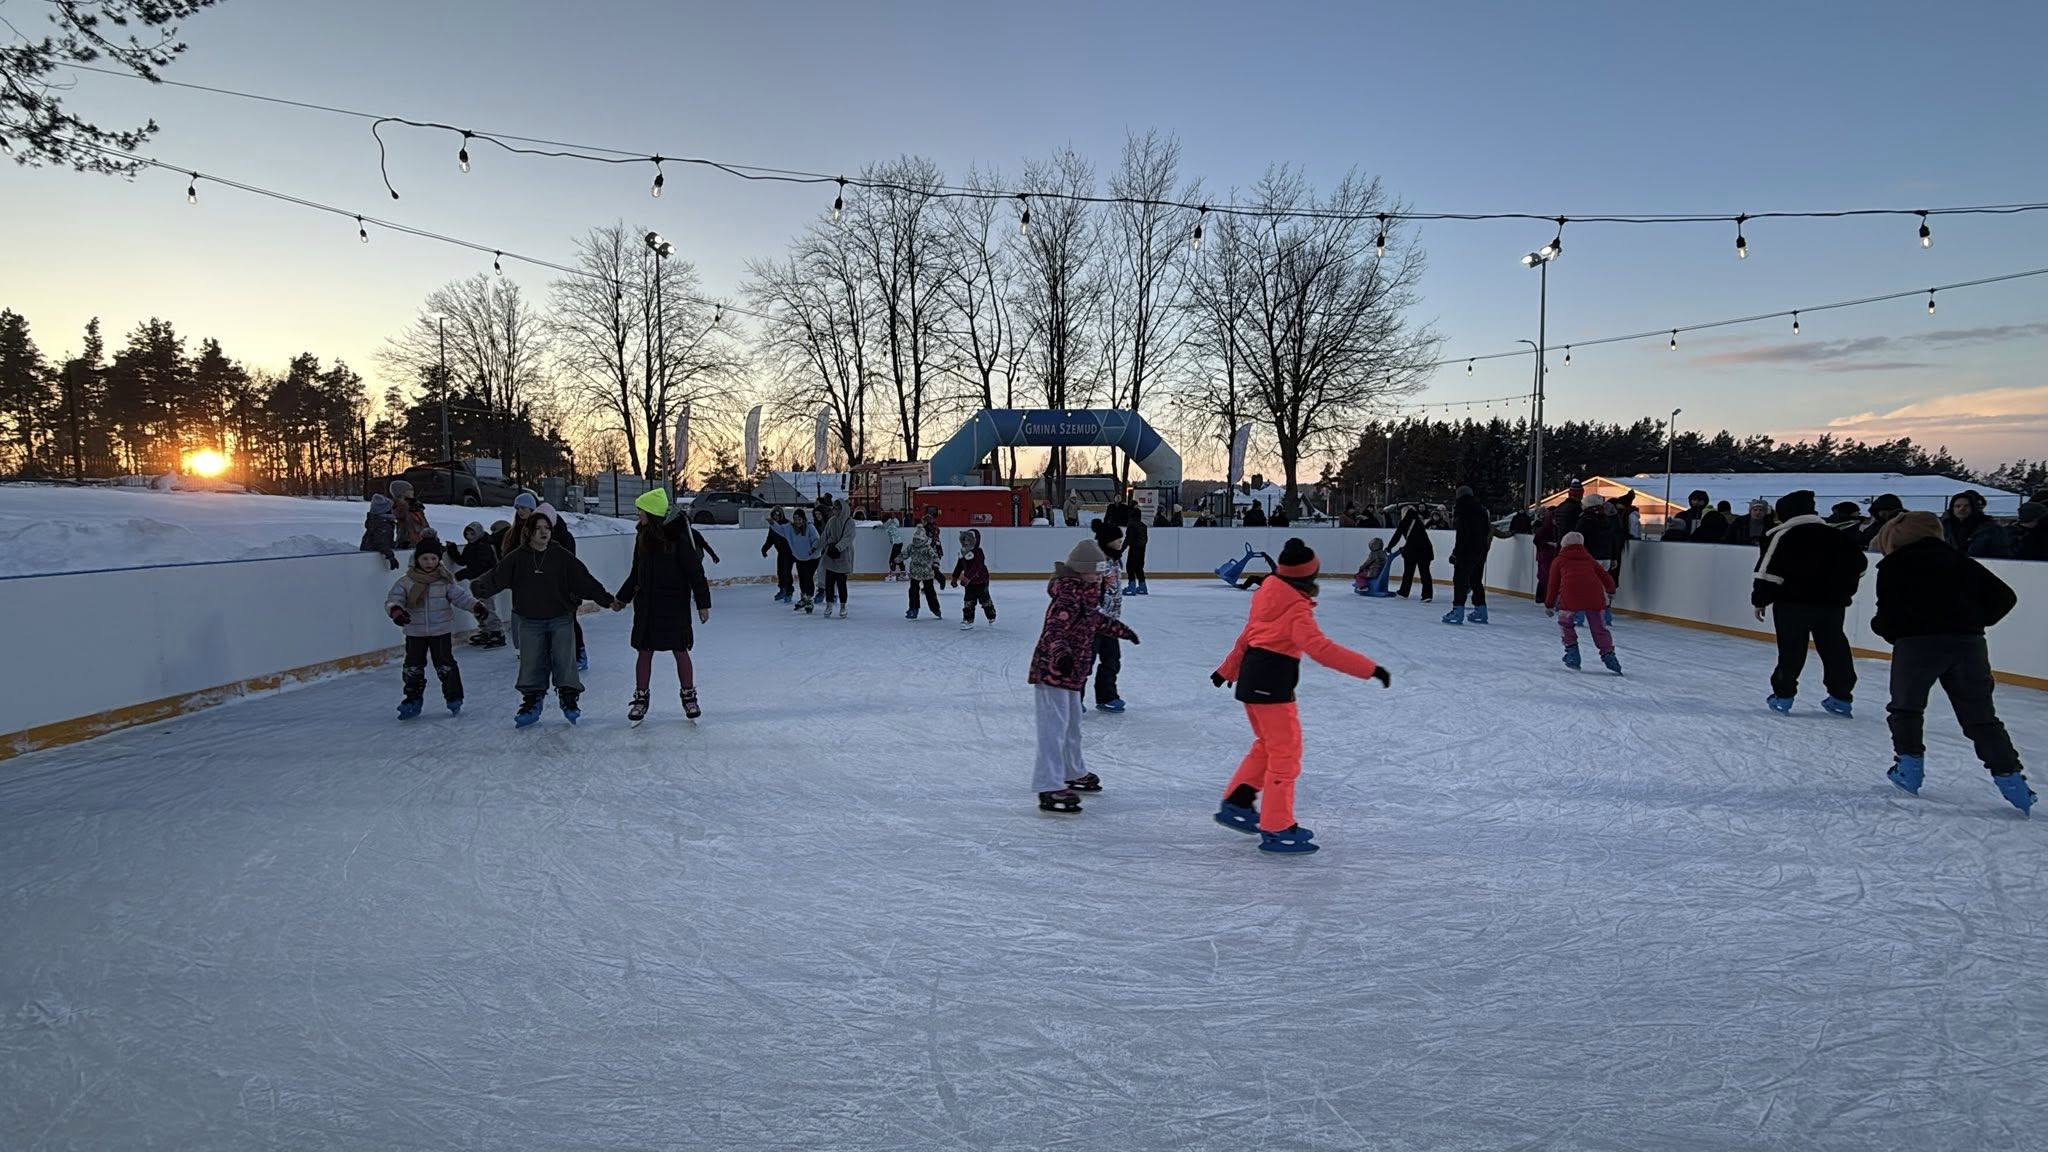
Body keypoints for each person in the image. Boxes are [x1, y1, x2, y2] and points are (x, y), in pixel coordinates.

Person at [1210, 538, 1388, 855]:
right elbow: (1321, 649)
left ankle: (1238, 802)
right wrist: (1369, 669)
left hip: (1251, 678)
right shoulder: (1294, 607)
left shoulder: (1267, 593)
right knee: (1285, 754)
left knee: (1268, 745)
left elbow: (1247, 636)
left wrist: (1228, 670)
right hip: (1272, 683)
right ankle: (1277, 827)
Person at [1869, 511, 2032, 813]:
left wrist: (1889, 630)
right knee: (1981, 717)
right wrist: (1971, 622)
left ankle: (1909, 769)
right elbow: (2004, 597)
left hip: (1917, 646)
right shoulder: (1962, 561)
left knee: (1906, 708)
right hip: (1968, 645)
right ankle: (2012, 780)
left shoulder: (1895, 565)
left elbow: (1888, 615)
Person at [470, 507, 618, 727]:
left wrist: (606, 599)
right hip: (529, 620)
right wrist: (480, 587)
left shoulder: (561, 556)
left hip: (560, 618)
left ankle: (568, 698)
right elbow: (497, 576)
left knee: (565, 661)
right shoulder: (517, 558)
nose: (543, 532)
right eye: (538, 528)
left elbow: (583, 580)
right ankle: (532, 701)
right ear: (529, 532)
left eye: (546, 528)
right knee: (531, 663)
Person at [1027, 538, 1138, 813]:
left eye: (1102, 572)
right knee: (1053, 730)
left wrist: (1122, 631)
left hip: (1072, 675)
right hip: (1053, 672)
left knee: (1072, 726)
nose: (1100, 577)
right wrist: (1061, 655)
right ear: (1080, 570)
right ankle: (1048, 785)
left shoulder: (1086, 593)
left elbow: (1095, 620)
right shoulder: (1067, 596)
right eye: (1095, 572)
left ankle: (1072, 771)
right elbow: (1054, 630)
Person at [1752, 490, 1868, 717]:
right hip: (1832, 606)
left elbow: (1767, 573)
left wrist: (1760, 600)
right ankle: (1841, 696)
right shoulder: (1837, 535)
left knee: (1792, 649)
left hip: (1792, 605)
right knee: (1834, 648)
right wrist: (1840, 587)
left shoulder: (1782, 535)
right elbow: (1860, 566)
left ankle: (1783, 696)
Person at [617, 489, 713, 725]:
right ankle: (641, 698)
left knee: (680, 650)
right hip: (647, 605)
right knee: (644, 650)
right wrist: (622, 598)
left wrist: (703, 604)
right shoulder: (641, 537)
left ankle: (689, 695)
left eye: (641, 510)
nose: (638, 514)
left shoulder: (677, 536)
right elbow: (636, 573)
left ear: (651, 513)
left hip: (674, 604)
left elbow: (695, 571)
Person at [383, 537, 486, 719]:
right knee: (413, 667)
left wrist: (476, 606)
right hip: (415, 632)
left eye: (433, 558)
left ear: (439, 560)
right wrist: (396, 611)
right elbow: (394, 599)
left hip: (440, 631)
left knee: (445, 665)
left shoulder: (445, 582)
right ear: (417, 560)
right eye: (425, 558)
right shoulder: (406, 582)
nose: (429, 562)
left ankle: (454, 697)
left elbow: (461, 598)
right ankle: (412, 699)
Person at [1543, 531, 1621, 674]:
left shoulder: (1559, 560)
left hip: (1570, 597)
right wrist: (1611, 590)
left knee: (1566, 624)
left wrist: (1549, 604)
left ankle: (1572, 653)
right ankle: (1609, 655)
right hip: (1594, 596)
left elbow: (1553, 584)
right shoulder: (1589, 559)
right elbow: (1605, 575)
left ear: (1564, 545)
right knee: (1599, 627)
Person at [1089, 519, 1132, 712]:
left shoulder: (1115, 560)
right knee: (1085, 662)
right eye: (1117, 539)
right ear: (1107, 540)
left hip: (1110, 621)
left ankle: (1107, 696)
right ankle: (1073, 699)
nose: (1120, 541)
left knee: (1112, 660)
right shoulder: (1097, 562)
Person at [445, 521, 507, 647]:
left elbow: (480, 566)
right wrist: (452, 549)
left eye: (472, 534)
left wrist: (460, 575)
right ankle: (486, 630)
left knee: (487, 607)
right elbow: (463, 561)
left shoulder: (484, 546)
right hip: (476, 582)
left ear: (478, 533)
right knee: (479, 607)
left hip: (486, 582)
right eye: (467, 534)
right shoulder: (470, 546)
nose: (469, 537)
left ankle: (496, 632)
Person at [1443, 485, 1493, 625]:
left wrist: (1456, 553)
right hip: (1481, 549)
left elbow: (1462, 534)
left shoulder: (1461, 509)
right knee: (1476, 580)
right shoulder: (1482, 509)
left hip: (1467, 550)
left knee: (1460, 580)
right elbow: (1487, 529)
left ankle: (1457, 611)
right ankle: (1481, 610)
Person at [1942, 490, 2012, 558]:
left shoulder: (1992, 529)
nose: (1962, 509)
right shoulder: (1944, 528)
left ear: (1974, 507)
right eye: (1957, 506)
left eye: (1966, 506)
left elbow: (2001, 556)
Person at [951, 528, 996, 630]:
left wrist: (967, 578)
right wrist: (954, 577)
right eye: (964, 540)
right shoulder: (963, 552)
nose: (966, 543)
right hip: (970, 584)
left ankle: (991, 615)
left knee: (984, 599)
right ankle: (968, 619)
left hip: (981, 581)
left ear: (975, 541)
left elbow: (977, 566)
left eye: (969, 540)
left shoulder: (979, 552)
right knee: (968, 601)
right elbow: (959, 566)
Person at [819, 498, 855, 618]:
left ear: (842, 509)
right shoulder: (832, 521)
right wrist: (817, 546)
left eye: (837, 508)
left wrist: (838, 547)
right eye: (833, 508)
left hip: (843, 555)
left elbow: (848, 537)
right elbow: (825, 535)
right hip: (831, 555)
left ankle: (843, 606)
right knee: (829, 582)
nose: (834, 510)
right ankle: (829, 605)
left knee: (841, 583)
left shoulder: (849, 522)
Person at [1390, 504, 1434, 600]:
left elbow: (1397, 535)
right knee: (1425, 573)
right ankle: (1427, 595)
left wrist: (1389, 547)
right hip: (1426, 550)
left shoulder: (1405, 521)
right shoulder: (1418, 521)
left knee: (1408, 572)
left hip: (1412, 550)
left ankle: (1404, 592)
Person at [903, 518, 944, 619]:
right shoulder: (912, 546)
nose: (916, 541)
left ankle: (935, 609)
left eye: (918, 539)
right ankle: (914, 609)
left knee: (929, 590)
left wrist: (935, 563)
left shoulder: (927, 546)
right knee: (913, 590)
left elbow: (934, 555)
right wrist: (896, 560)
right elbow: (905, 554)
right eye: (915, 539)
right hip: (915, 572)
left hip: (927, 570)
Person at [785, 508, 822, 614]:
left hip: (813, 557)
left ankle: (809, 599)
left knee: (808, 577)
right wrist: (773, 523)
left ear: (804, 519)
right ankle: (804, 597)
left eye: (799, 519)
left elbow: (816, 539)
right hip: (801, 557)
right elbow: (781, 530)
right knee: (802, 578)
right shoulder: (793, 529)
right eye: (795, 519)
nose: (797, 522)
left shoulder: (810, 527)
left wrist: (813, 548)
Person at [388, 479, 434, 551]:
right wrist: (405, 504)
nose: (412, 491)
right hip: (408, 542)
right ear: (402, 492)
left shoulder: (415, 507)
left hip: (422, 539)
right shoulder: (399, 506)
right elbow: (399, 515)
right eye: (410, 489)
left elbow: (424, 524)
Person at [762, 507, 796, 602]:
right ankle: (782, 589)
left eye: (778, 515)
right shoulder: (773, 526)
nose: (776, 517)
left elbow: (794, 538)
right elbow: (770, 539)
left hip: (789, 553)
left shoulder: (787, 524)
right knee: (780, 571)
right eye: (774, 515)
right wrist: (765, 549)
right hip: (781, 552)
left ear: (781, 515)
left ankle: (789, 591)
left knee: (786, 572)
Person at [360, 493, 399, 569]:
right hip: (372, 558)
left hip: (367, 555)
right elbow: (381, 542)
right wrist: (391, 557)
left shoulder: (376, 522)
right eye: (391, 509)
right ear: (386, 511)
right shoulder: (383, 525)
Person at [1124, 506, 1151, 595]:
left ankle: (1132, 587)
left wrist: (1121, 550)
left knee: (1130, 567)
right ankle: (1143, 586)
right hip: (1142, 549)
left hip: (1134, 549)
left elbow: (1128, 539)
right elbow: (1146, 539)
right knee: (1139, 567)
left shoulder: (1131, 524)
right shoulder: (1143, 526)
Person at [884, 516, 907, 582]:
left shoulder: (889, 527)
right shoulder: (893, 524)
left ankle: (893, 575)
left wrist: (893, 541)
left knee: (892, 560)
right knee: (899, 559)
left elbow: (885, 527)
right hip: (899, 543)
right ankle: (904, 574)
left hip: (896, 544)